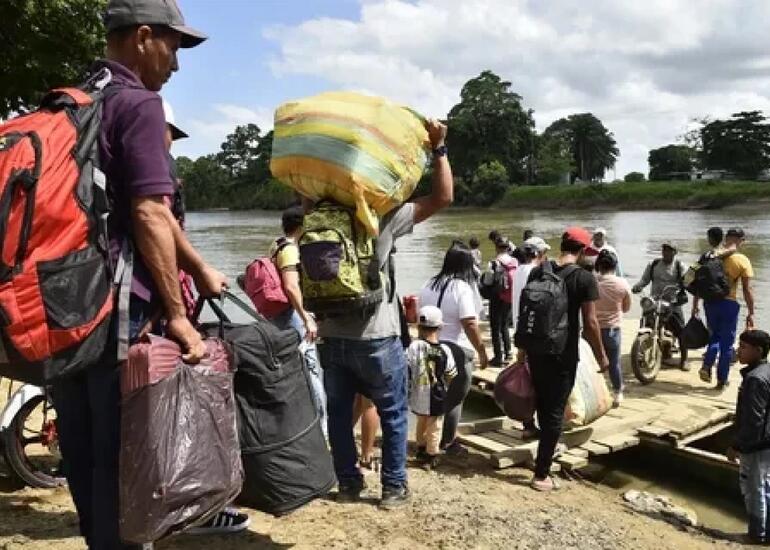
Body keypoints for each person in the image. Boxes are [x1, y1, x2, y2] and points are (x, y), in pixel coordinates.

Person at [49, 2, 246, 548]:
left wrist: (199, 266)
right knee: (128, 469)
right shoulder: (139, 104)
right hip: (121, 321)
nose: (176, 64)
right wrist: (180, 318)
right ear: (142, 37)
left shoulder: (72, 102)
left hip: (65, 310)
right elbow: (150, 212)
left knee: (87, 463)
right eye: (174, 47)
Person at [315, 118, 453, 509]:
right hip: (377, 336)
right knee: (392, 414)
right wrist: (439, 148)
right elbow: (443, 197)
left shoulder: (316, 213)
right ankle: (393, 487)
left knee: (340, 417)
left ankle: (348, 483)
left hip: (331, 335)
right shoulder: (381, 214)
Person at [516, 227, 609, 492]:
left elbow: (527, 312)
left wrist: (521, 349)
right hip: (562, 353)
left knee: (542, 400)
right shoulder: (584, 278)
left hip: (535, 349)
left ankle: (544, 448)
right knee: (554, 410)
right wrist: (602, 356)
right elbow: (590, 323)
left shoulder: (539, 270)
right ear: (581, 251)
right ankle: (541, 474)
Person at [419, 242, 487, 455]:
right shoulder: (462, 288)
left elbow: (420, 317)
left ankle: (426, 440)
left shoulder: (429, 284)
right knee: (456, 398)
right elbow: (469, 323)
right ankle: (448, 442)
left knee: (432, 396)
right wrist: (482, 351)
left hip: (430, 346)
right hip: (457, 349)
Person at [266, 206, 326, 436]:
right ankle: (322, 431)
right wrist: (306, 318)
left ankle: (296, 425)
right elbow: (291, 286)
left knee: (292, 371)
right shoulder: (290, 249)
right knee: (312, 372)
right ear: (302, 226)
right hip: (292, 317)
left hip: (277, 317)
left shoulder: (276, 244)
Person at [693, 227, 755, 389]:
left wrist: (695, 305)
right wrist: (751, 312)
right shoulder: (742, 260)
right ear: (740, 240)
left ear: (726, 238)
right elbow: (747, 289)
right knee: (727, 344)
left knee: (714, 337)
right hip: (729, 304)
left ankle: (707, 365)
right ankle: (722, 380)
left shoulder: (711, 255)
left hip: (710, 303)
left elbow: (698, 281)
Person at [728, 330, 770, 544]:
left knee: (754, 489)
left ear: (758, 351)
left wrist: (736, 445)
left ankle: (756, 535)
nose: (738, 351)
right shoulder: (765, 371)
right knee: (764, 486)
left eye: (743, 347)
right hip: (766, 441)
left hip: (756, 445)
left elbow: (753, 421)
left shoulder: (755, 379)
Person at [407, 306, 457, 469]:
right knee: (435, 426)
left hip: (418, 393)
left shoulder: (414, 347)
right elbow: (451, 373)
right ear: (440, 326)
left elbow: (406, 367)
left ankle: (420, 447)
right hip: (437, 394)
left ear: (418, 326)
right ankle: (431, 454)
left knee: (421, 421)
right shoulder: (445, 350)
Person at [632, 241, 688, 367]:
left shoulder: (679, 266)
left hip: (672, 302)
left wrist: (688, 284)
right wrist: (637, 286)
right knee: (645, 323)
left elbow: (688, 280)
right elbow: (644, 280)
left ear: (675, 252)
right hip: (654, 301)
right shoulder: (653, 264)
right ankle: (641, 352)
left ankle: (684, 359)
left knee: (681, 330)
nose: (666, 252)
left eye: (669, 250)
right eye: (664, 250)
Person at [595, 250, 632, 406]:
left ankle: (595, 395)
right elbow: (626, 308)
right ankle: (617, 392)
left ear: (598, 266)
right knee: (614, 363)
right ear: (615, 265)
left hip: (593, 330)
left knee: (594, 364)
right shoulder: (622, 284)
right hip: (612, 330)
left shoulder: (592, 282)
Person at [485, 236, 517, 365]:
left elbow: (488, 281)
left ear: (497, 247)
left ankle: (498, 357)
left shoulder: (493, 263)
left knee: (495, 327)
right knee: (504, 325)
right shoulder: (514, 261)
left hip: (497, 297)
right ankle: (509, 353)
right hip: (510, 297)